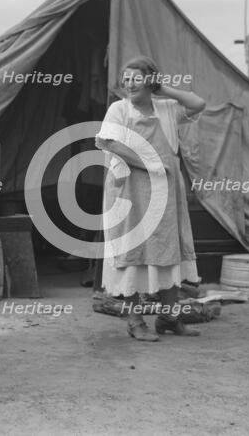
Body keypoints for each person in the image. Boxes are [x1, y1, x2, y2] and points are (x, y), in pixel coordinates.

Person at [95, 56, 206, 341]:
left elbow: (198, 104)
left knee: (166, 251)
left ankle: (169, 318)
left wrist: (163, 90)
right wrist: (148, 163)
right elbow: (106, 142)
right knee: (134, 254)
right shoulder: (119, 110)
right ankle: (135, 322)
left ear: (151, 80)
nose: (129, 84)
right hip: (130, 190)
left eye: (137, 78)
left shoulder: (166, 108)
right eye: (126, 78)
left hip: (165, 192)